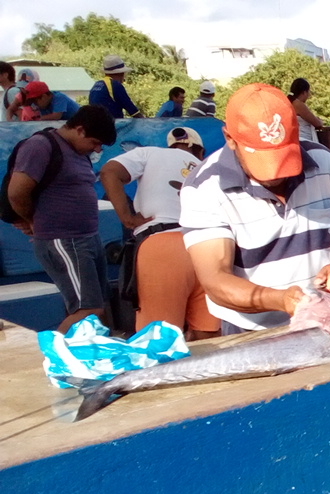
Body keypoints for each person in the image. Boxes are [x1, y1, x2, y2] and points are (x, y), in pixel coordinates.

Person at [179, 82, 330, 334]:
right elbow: (216, 281)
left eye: (283, 158)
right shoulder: (204, 188)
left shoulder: (324, 162)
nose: (276, 175)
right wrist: (281, 300)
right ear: (230, 139)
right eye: (263, 160)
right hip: (248, 331)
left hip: (326, 319)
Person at [100, 126, 220, 340]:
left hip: (162, 245)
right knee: (210, 337)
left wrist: (128, 217)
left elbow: (109, 172)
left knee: (158, 341)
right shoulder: (208, 167)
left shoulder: (149, 153)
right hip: (208, 247)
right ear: (200, 151)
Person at [6, 106, 118, 333]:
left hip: (87, 238)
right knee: (87, 310)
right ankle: (54, 354)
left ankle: (97, 354)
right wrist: (32, 221)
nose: (97, 149)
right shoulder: (40, 146)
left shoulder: (78, 153)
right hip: (64, 240)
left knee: (98, 306)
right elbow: (16, 193)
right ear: (79, 130)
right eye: (95, 142)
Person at [286, 78, 323, 143]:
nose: (309, 95)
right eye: (309, 92)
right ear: (304, 92)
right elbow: (317, 123)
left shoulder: (288, 103)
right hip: (303, 140)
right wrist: (320, 121)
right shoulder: (298, 104)